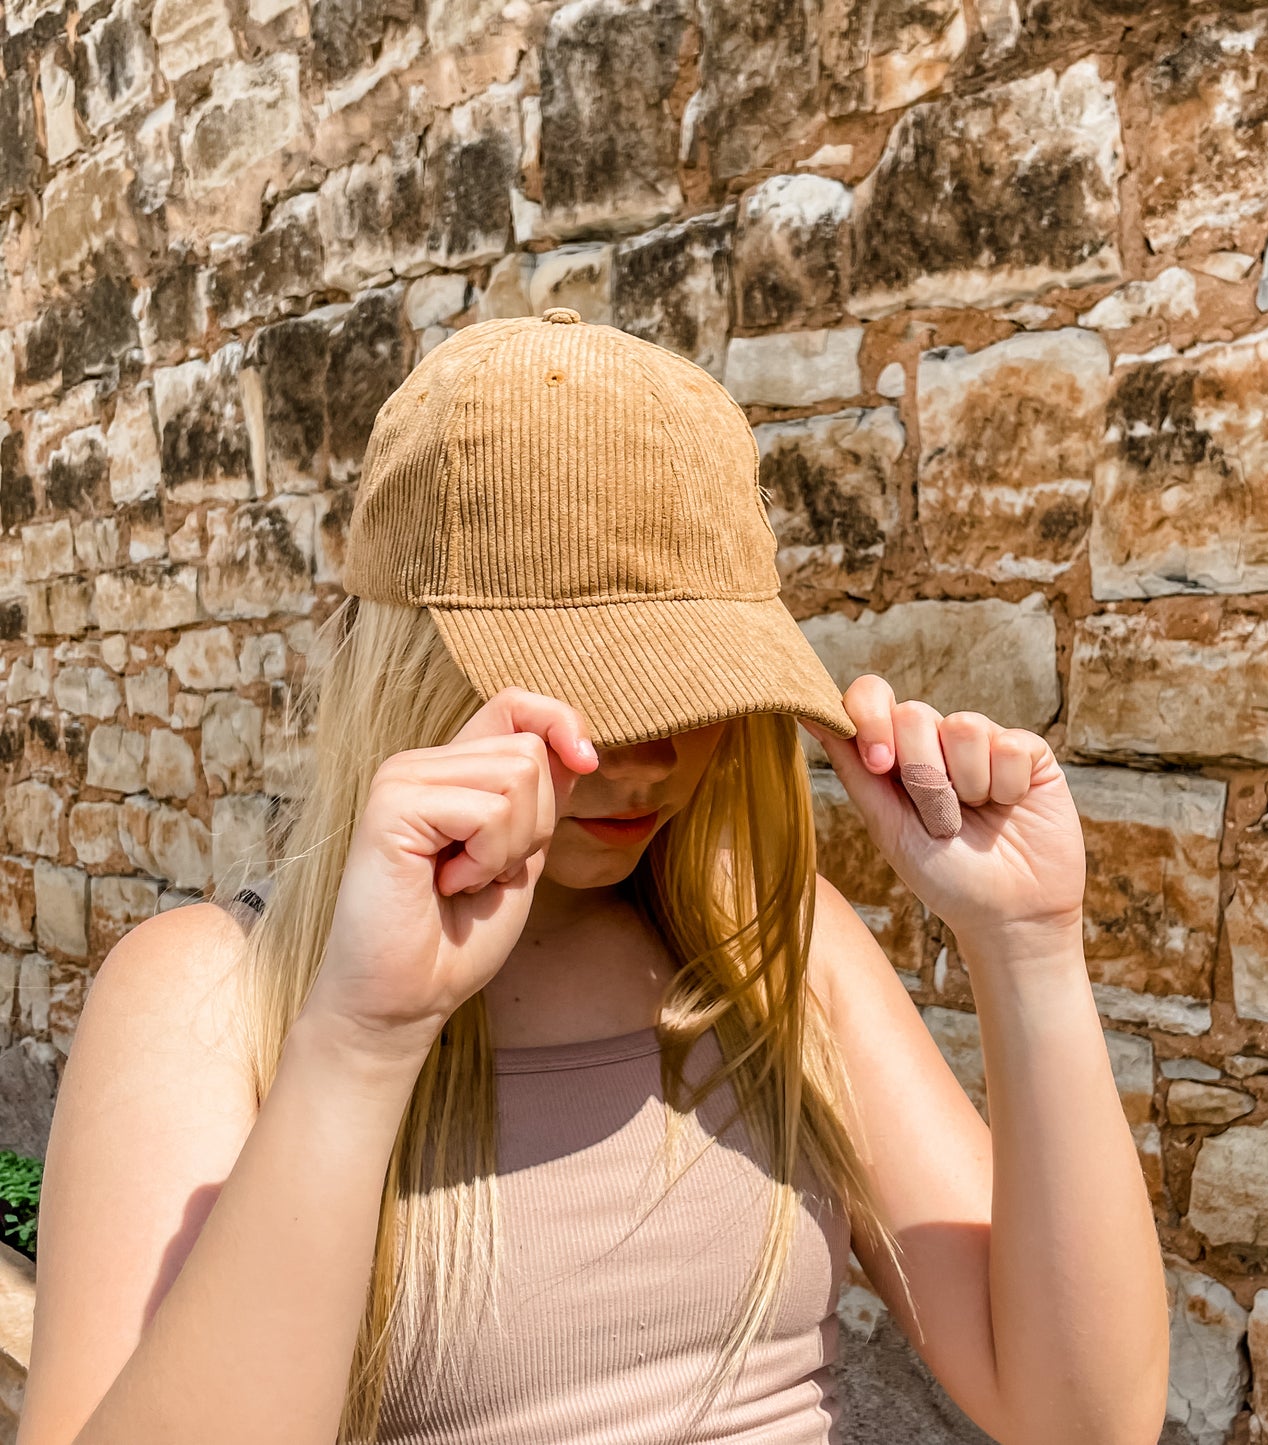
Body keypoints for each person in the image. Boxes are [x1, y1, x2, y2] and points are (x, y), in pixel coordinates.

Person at [19, 309, 1169, 1445]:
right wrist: (362, 1040)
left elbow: (1082, 1417)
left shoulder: (775, 952)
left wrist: (1025, 945)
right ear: (420, 666)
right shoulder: (211, 999)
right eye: (600, 689)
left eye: (697, 689)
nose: (659, 753)